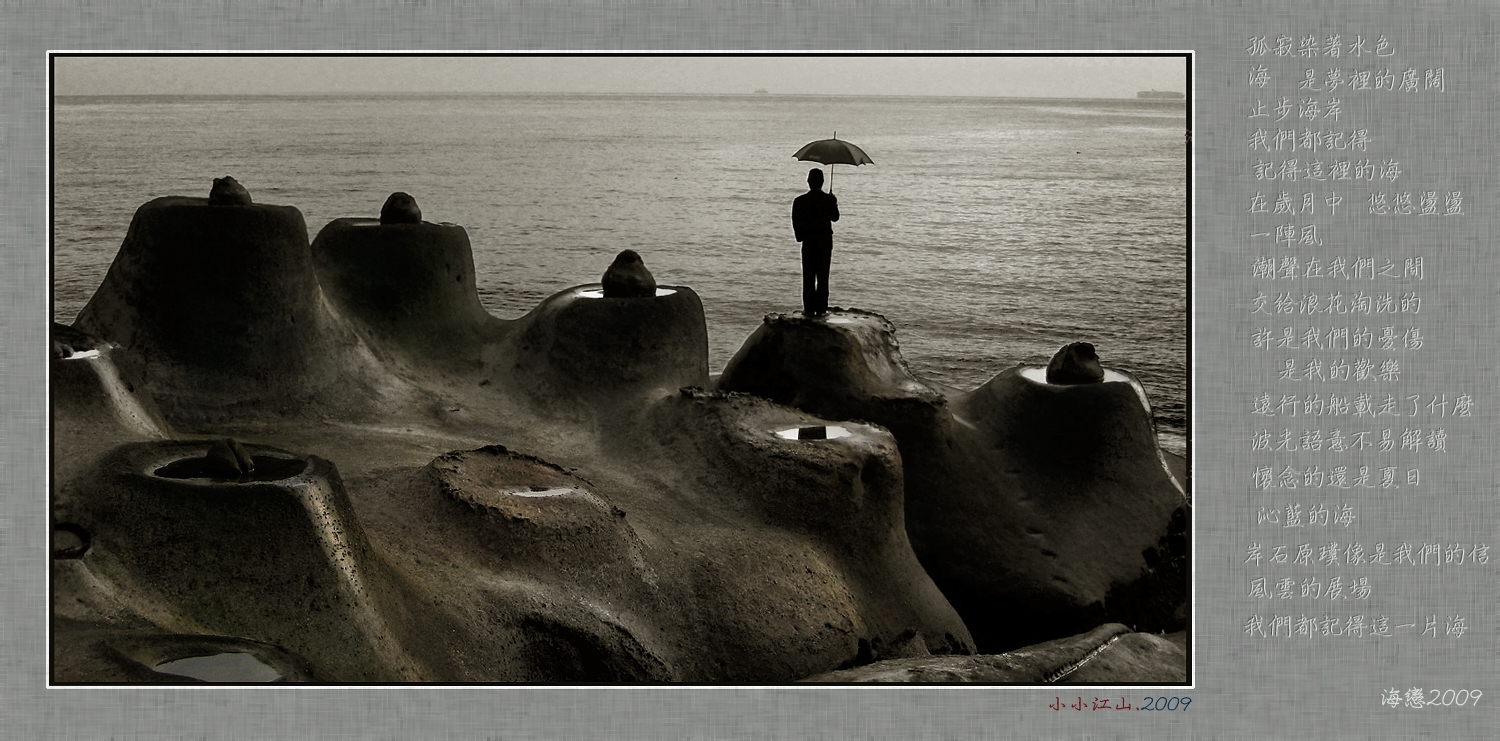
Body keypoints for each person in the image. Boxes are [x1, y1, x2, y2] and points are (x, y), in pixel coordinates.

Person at [790, 168, 840, 315]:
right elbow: (835, 217)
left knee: (808, 276)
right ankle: (821, 308)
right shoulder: (828, 200)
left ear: (808, 181)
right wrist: (834, 201)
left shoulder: (800, 201)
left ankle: (809, 309)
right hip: (825, 242)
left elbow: (796, 221)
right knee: (823, 276)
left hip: (809, 242)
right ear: (822, 182)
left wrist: (800, 237)